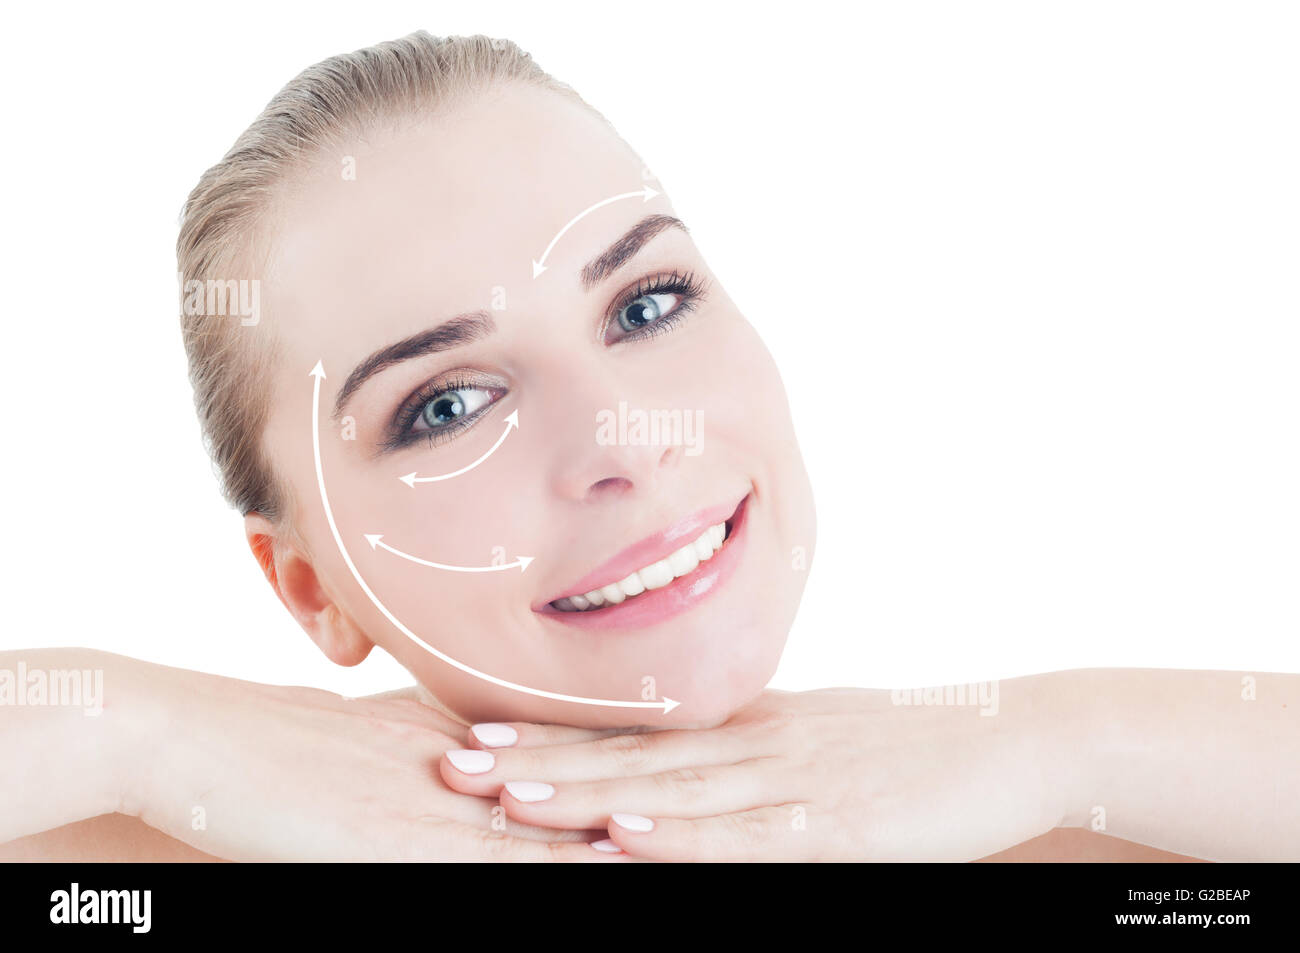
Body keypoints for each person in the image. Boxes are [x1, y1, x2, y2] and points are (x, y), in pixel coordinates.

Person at [2, 32, 1294, 862]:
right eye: (447, 404)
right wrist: (141, 728)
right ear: (308, 590)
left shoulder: (1058, 834)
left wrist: (1068, 740)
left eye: (643, 303)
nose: (622, 438)